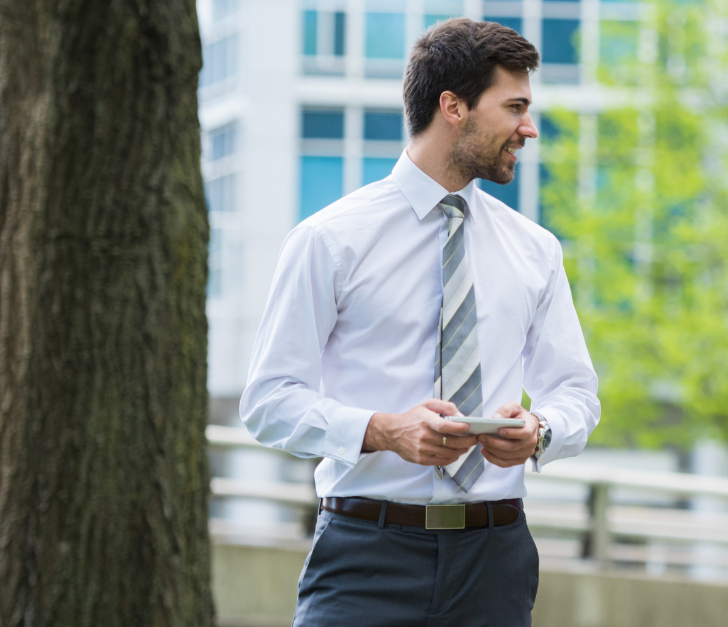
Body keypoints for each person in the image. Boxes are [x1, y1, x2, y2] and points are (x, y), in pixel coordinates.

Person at [239, 18, 600, 627]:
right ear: (453, 107)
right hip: (365, 556)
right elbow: (269, 401)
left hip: (496, 561)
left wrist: (540, 431)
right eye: (514, 107)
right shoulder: (329, 240)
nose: (528, 128)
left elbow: (576, 393)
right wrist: (383, 431)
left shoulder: (535, 250)